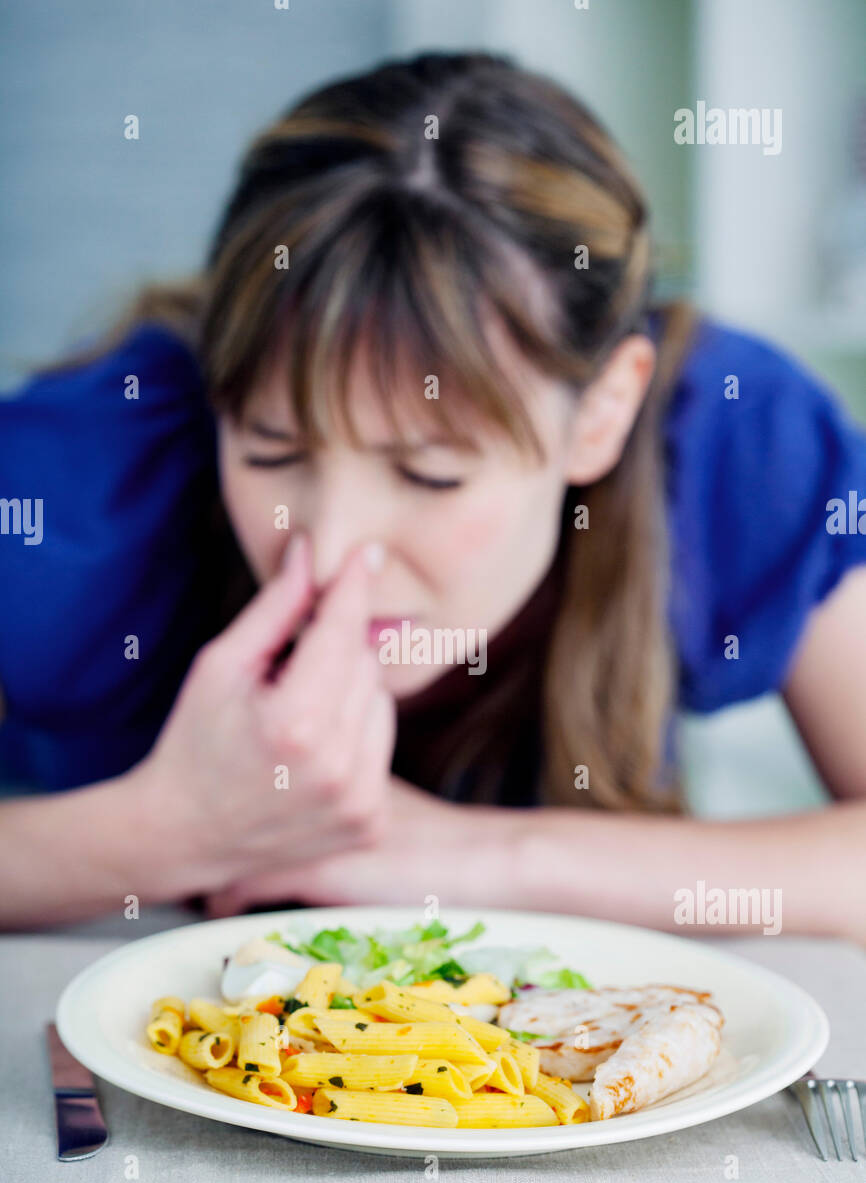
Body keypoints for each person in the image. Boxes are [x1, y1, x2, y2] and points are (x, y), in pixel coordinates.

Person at [2, 52, 865, 937]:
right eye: (270, 451)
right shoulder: (84, 479)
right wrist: (168, 833)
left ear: (603, 412)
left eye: (429, 473)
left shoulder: (735, 440)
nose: (331, 550)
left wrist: (480, 856)